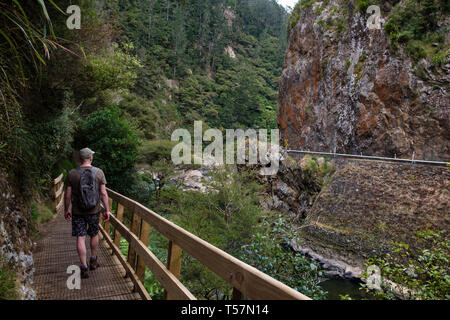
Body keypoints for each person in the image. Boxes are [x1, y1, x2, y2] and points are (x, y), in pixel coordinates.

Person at [64, 148, 111, 279]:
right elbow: (103, 193)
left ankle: (84, 267)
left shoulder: (72, 173)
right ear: (90, 158)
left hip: (78, 211)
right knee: (94, 233)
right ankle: (93, 259)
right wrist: (107, 210)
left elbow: (67, 195)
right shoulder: (99, 172)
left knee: (81, 237)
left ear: (80, 159)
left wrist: (66, 210)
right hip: (94, 210)